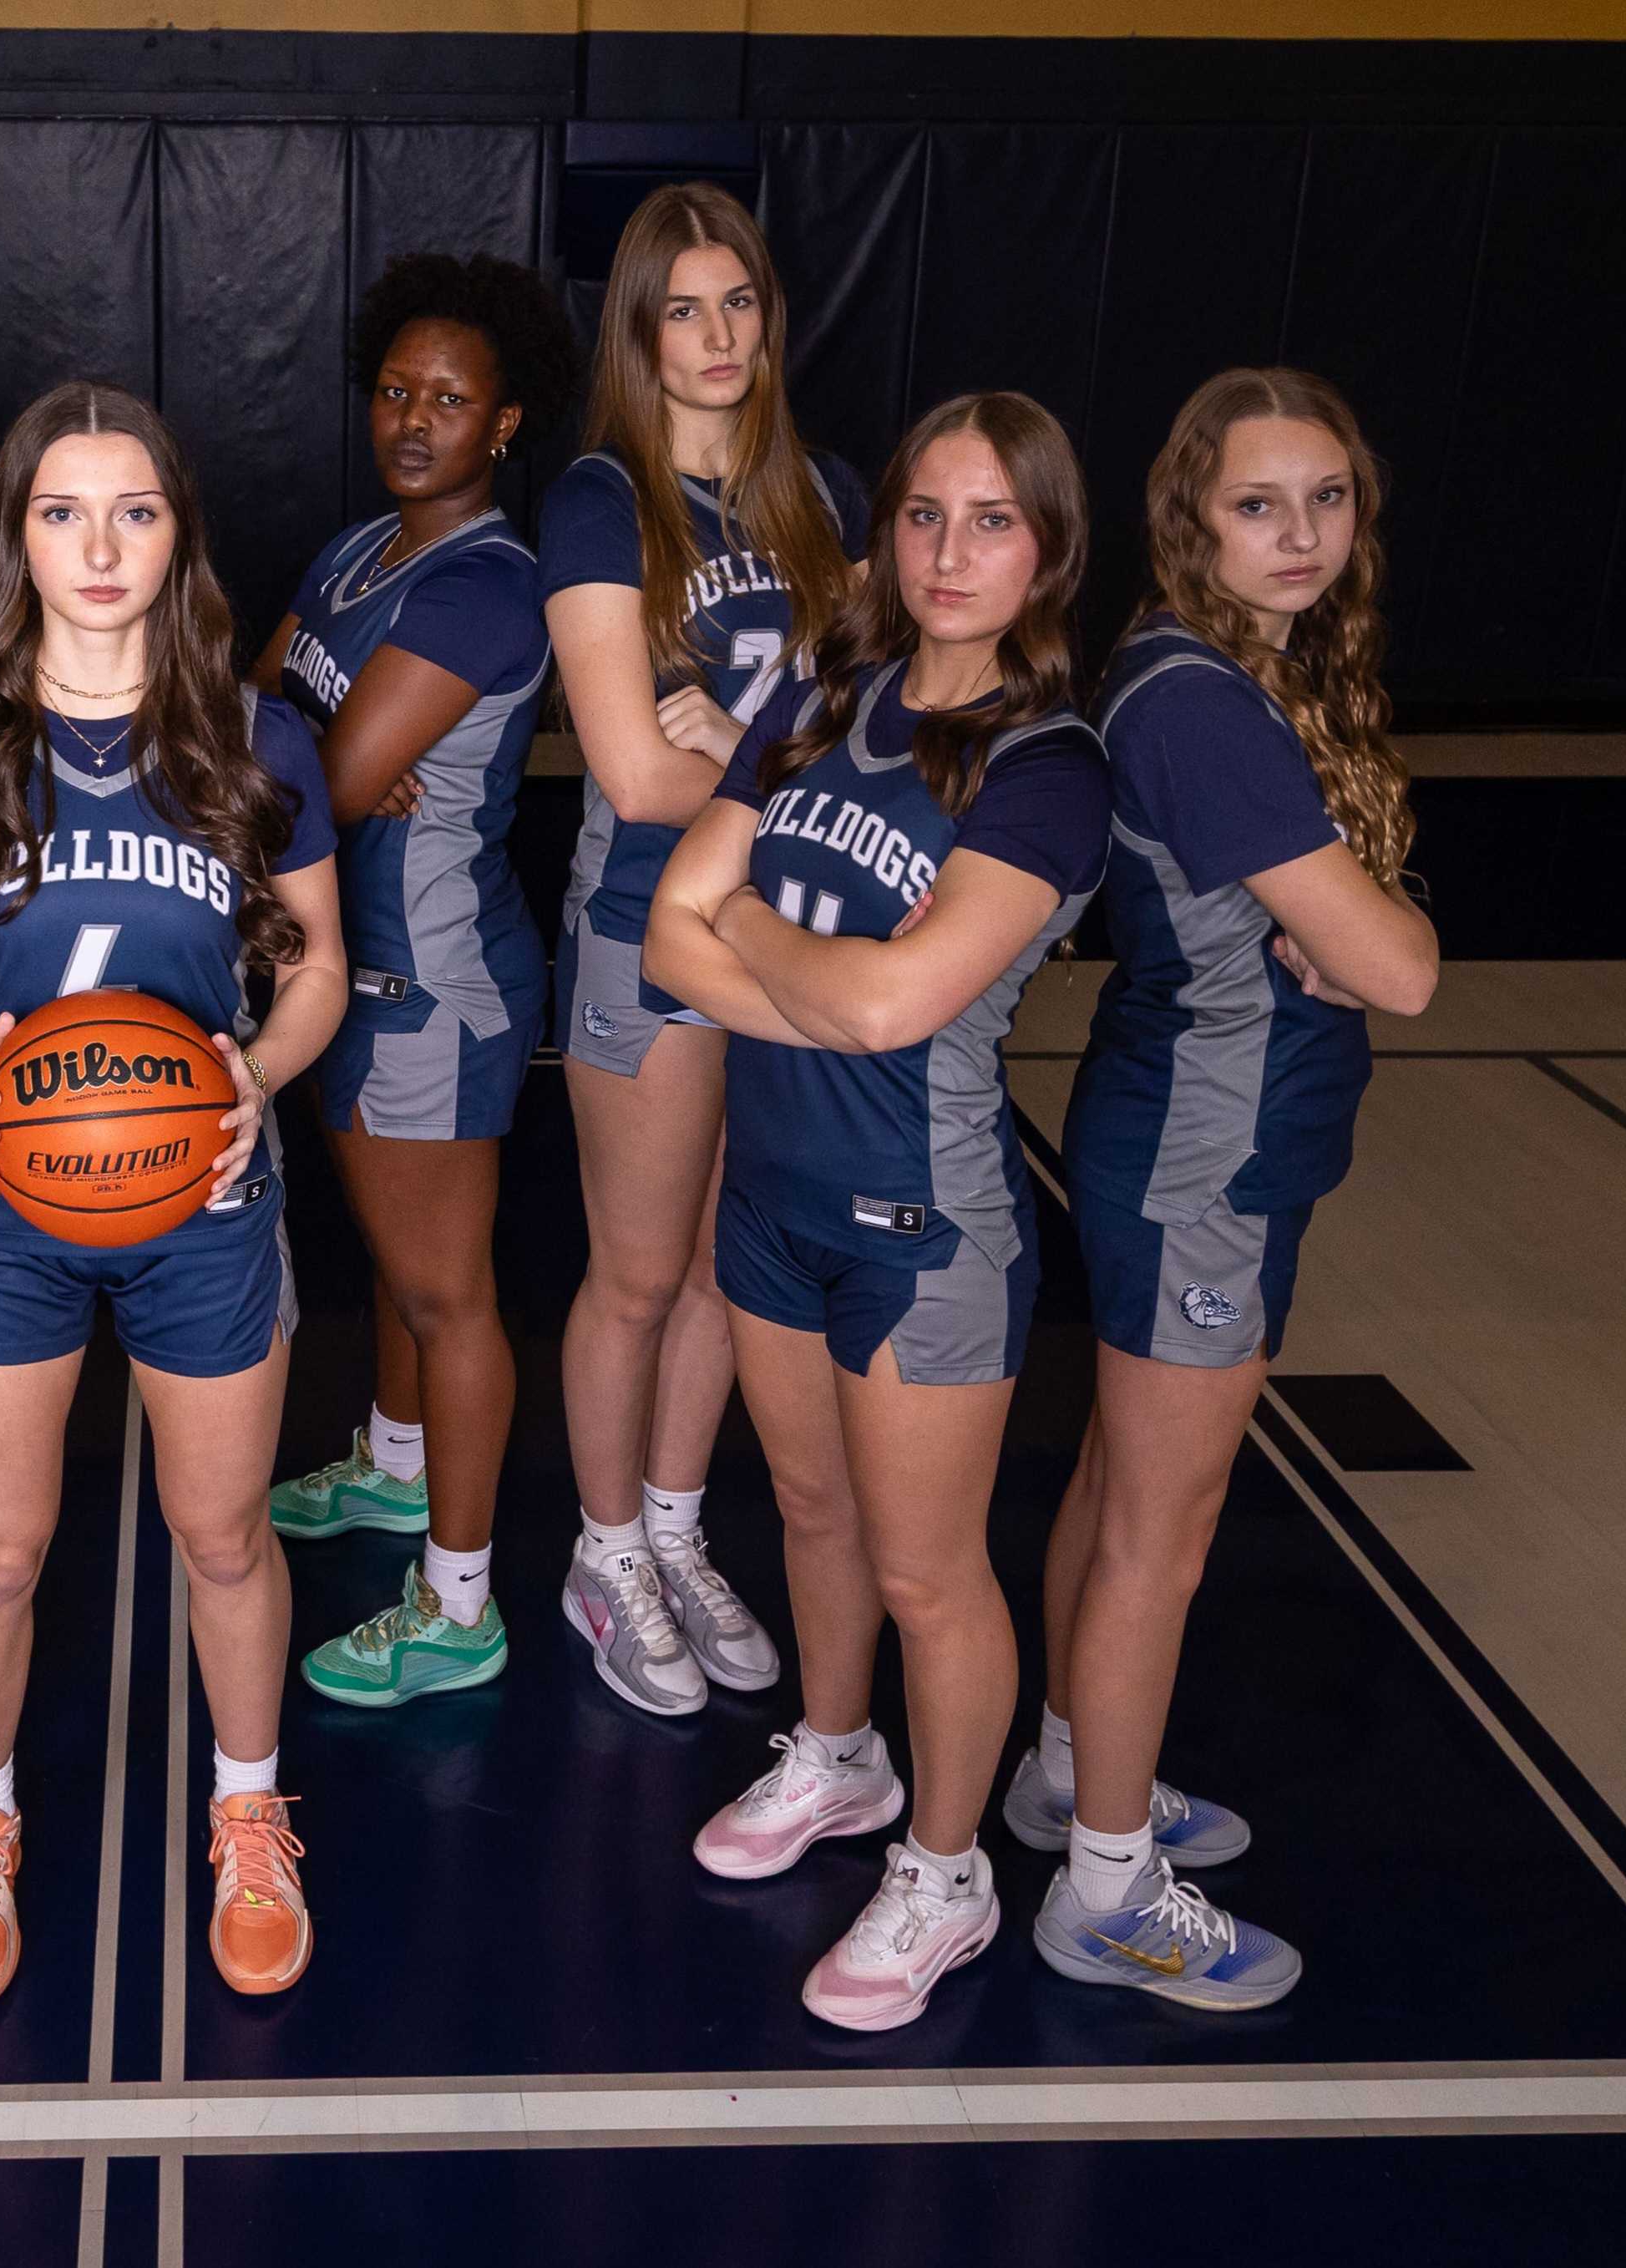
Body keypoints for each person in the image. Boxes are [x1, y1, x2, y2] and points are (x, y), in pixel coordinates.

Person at [0, 382, 347, 2008]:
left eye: (133, 510)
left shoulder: (255, 737)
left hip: (206, 1193)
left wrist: (252, 1079)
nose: (99, 545)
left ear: (175, 533)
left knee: (222, 1532)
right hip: (5, 1197)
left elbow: (317, 968)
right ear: (18, 538)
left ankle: (247, 1812)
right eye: (61, 512)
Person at [647, 392, 1111, 2032]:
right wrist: (821, 977)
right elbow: (668, 929)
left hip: (922, 1229)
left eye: (991, 521)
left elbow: (893, 1004)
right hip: (769, 1198)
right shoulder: (819, 693)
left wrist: (768, 939)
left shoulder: (1046, 771)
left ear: (1047, 548)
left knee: (928, 1572)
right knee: (808, 1507)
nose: (949, 552)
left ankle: (945, 1870)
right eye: (923, 515)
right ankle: (837, 1756)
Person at [1021, 368, 1435, 2010]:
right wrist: (1367, 931)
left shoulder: (1249, 668)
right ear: (1188, 514)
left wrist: (1353, 927)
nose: (1298, 534)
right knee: (1160, 1532)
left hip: (1219, 1140)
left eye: (1324, 499)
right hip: (1202, 1156)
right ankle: (1104, 1890)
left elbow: (1359, 939)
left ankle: (1071, 1772)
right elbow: (1397, 965)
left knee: (1119, 1483)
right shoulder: (1192, 698)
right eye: (1256, 504)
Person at [539, 183, 864, 1714]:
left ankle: (673, 1529)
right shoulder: (599, 500)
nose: (717, 335)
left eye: (737, 302)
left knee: (735, 1268)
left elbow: (871, 742)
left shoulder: (830, 498)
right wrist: (784, 764)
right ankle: (602, 1552)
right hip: (646, 931)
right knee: (637, 1271)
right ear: (640, 332)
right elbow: (629, 772)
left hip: (783, 934)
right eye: (683, 309)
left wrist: (733, 742)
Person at [248, 251, 578, 1707]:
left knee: (447, 1295)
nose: (413, 420)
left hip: (430, 981)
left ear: (503, 422)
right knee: (394, 1258)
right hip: (351, 960)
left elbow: (307, 782)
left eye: (448, 400)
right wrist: (305, 763)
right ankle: (394, 1471)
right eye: (394, 391)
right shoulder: (356, 551)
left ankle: (458, 1606)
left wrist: (315, 769)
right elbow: (255, 714)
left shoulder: (488, 584)